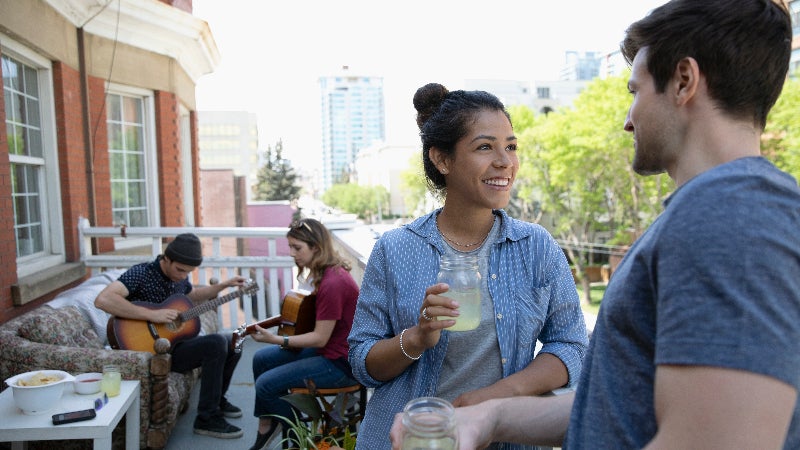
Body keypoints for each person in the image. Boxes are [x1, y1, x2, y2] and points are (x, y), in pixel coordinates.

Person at [390, 1, 800, 449]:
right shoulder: (723, 211)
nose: (628, 120)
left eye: (635, 91)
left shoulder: (730, 218)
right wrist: (491, 417)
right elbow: (622, 403)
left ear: (684, 81)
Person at [349, 82, 589, 450]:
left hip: (507, 440)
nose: (505, 161)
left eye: (510, 146)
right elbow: (362, 363)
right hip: (411, 439)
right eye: (484, 147)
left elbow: (571, 346)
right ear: (443, 160)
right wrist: (417, 337)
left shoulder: (536, 246)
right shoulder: (395, 249)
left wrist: (497, 398)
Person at [95, 233, 248, 439]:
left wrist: (223, 286)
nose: (184, 276)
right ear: (166, 259)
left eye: (189, 272)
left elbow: (191, 296)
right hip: (149, 351)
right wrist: (152, 315)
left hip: (175, 346)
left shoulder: (180, 278)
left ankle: (217, 400)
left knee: (234, 340)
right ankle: (206, 419)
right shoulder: (141, 273)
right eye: (180, 270)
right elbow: (104, 299)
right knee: (216, 343)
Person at [247, 218, 360, 450]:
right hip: (328, 350)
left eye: (297, 248)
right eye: (290, 247)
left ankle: (296, 438)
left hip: (342, 364)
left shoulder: (333, 282)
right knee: (261, 359)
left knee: (265, 386)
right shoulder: (325, 273)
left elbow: (319, 337)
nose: (292, 253)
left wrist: (276, 339)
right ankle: (269, 423)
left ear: (316, 247)